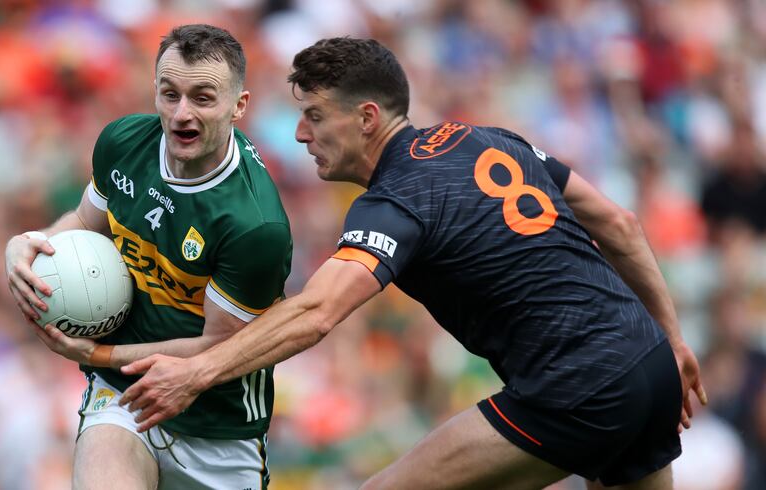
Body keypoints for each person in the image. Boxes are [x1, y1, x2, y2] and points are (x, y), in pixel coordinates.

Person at [119, 37, 707, 489]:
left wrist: (198, 373)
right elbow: (620, 225)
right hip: (651, 361)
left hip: (578, 384)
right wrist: (674, 340)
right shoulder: (489, 138)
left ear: (367, 118)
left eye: (315, 116)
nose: (300, 134)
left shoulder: (395, 200)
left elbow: (318, 312)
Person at [3, 24, 292, 490]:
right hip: (122, 397)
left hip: (217, 428)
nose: (181, 114)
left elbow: (219, 346)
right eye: (169, 94)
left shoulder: (255, 225)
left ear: (239, 106)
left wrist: (101, 353)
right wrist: (28, 243)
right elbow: (84, 223)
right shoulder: (123, 143)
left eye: (202, 98)